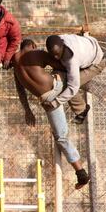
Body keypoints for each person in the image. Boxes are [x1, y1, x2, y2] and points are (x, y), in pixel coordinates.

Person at [12, 38, 90, 189]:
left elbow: (20, 90)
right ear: (33, 45)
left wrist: (27, 110)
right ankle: (81, 108)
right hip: (56, 87)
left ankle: (81, 173)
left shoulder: (15, 61)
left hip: (46, 99)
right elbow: (61, 64)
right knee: (66, 70)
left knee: (61, 137)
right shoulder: (36, 53)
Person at [44, 34, 106, 113]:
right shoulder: (59, 39)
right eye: (53, 54)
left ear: (63, 45)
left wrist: (55, 103)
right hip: (89, 50)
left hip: (97, 63)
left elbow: (73, 87)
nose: (56, 57)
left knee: (66, 83)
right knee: (73, 78)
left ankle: (82, 110)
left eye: (58, 54)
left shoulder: (72, 60)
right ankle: (103, 90)